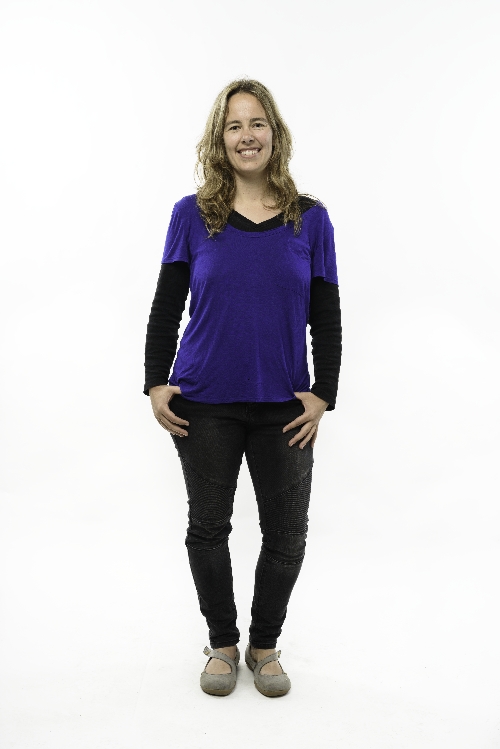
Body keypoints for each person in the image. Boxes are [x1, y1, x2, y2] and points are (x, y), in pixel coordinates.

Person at [144, 78, 342, 697]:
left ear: (275, 134)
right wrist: (155, 382)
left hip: (285, 405)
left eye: (257, 124)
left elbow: (326, 313)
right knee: (209, 527)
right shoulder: (191, 214)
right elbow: (166, 306)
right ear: (219, 138)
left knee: (287, 532)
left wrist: (324, 392)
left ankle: (265, 645)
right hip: (203, 402)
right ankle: (223, 644)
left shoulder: (310, 218)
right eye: (234, 125)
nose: (246, 135)